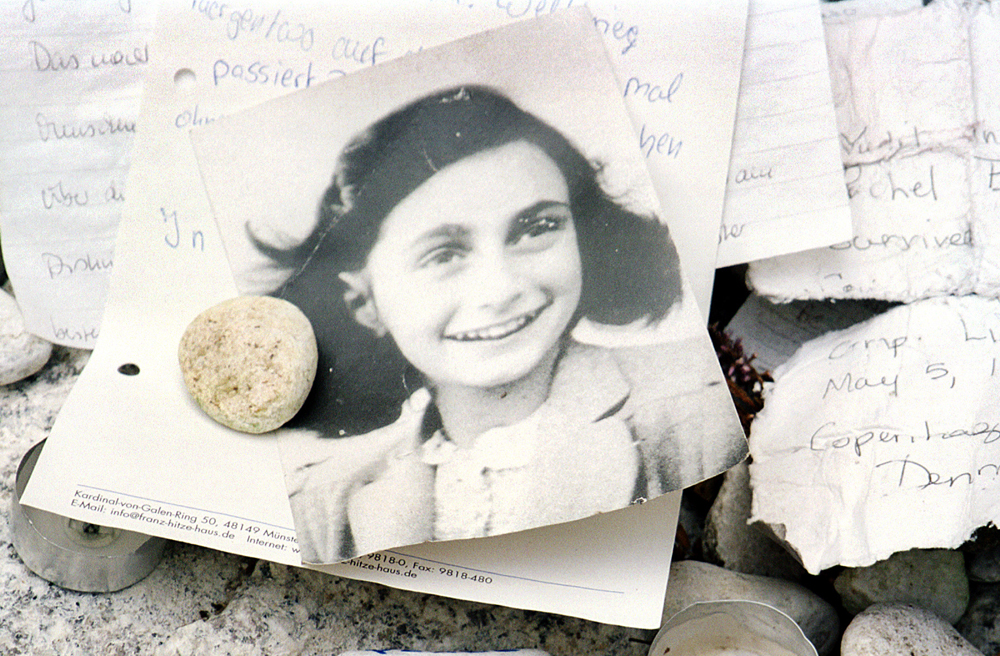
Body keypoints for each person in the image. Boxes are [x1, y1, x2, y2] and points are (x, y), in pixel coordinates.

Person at [254, 85, 744, 563]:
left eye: (537, 229)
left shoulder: (700, 414)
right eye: (443, 254)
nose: (501, 289)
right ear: (363, 301)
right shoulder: (321, 504)